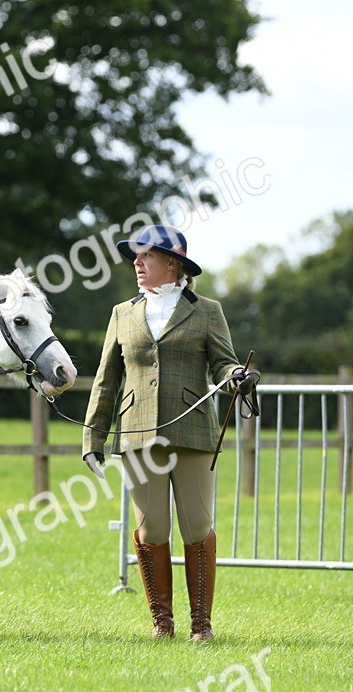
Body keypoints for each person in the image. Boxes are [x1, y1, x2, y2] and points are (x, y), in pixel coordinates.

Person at [81, 224, 259, 641]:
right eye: (136, 257)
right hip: (138, 433)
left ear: (173, 263)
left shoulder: (207, 310)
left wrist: (236, 376)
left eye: (146, 256)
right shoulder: (122, 313)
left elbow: (222, 363)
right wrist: (93, 437)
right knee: (152, 530)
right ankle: (163, 623)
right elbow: (106, 379)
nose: (137, 263)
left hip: (194, 432)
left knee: (197, 526)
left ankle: (202, 625)